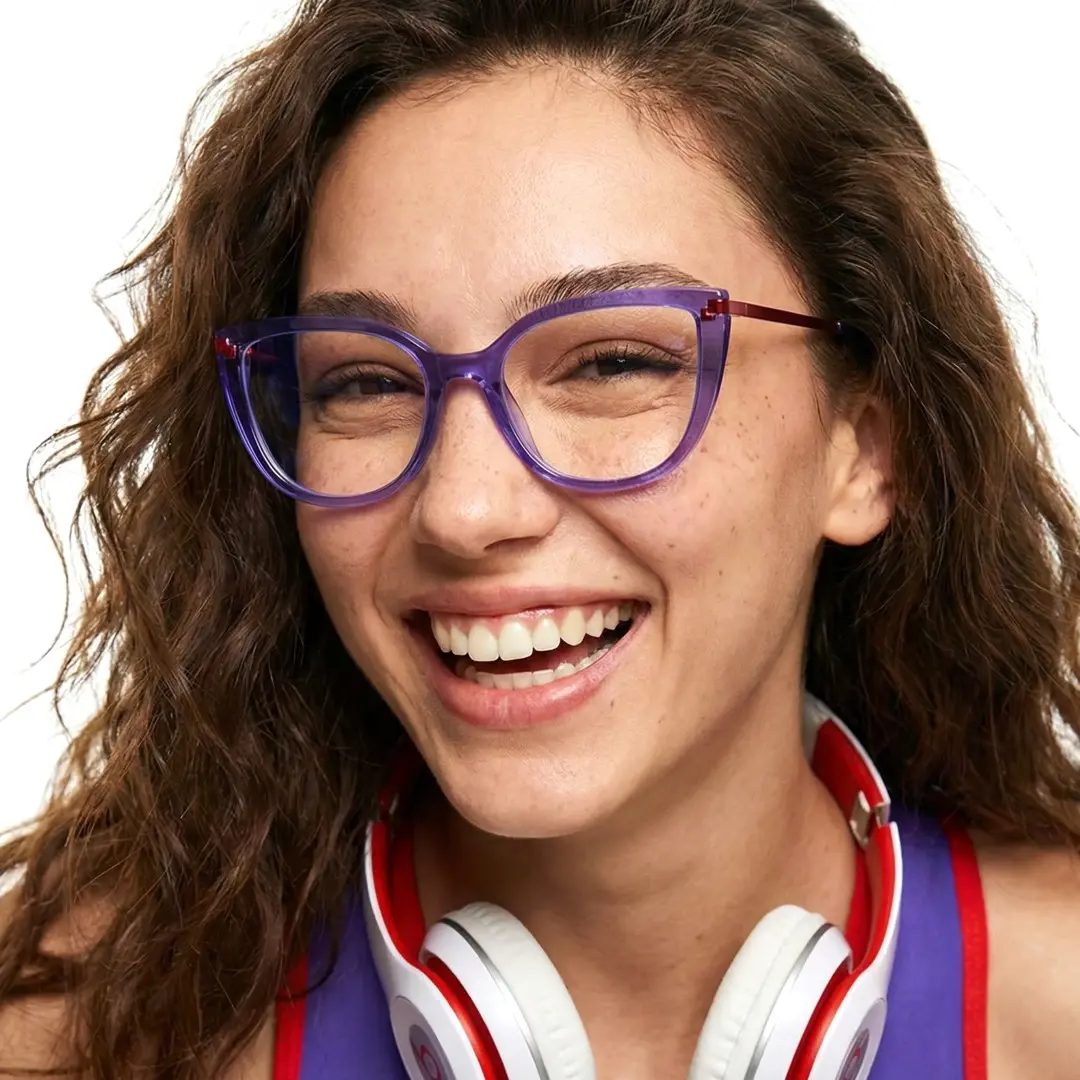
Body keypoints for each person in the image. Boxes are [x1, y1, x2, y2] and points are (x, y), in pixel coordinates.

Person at [2, 0, 1079, 1077]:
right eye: (367, 380)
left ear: (865, 452)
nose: (464, 510)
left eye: (614, 363)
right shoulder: (81, 1031)